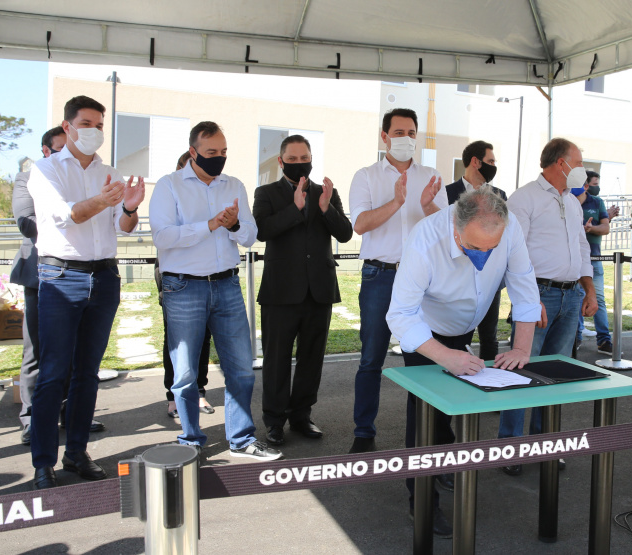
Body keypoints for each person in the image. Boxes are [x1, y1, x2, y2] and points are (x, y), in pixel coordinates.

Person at [387, 186, 542, 537]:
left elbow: (523, 286)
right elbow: (401, 315)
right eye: (473, 247)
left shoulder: (510, 227)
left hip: (464, 326)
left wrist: (521, 349)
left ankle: (444, 464)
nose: (483, 257)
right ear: (455, 226)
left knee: (449, 410)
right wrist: (444, 356)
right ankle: (422, 502)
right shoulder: (425, 239)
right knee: (424, 416)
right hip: (425, 334)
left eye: (491, 249)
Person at [27, 95, 145, 489]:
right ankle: (43, 462)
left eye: (99, 125)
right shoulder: (45, 170)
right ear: (67, 127)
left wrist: (129, 208)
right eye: (87, 124)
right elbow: (66, 216)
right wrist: (102, 200)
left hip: (104, 277)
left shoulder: (108, 172)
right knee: (53, 373)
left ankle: (76, 452)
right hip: (61, 276)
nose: (95, 131)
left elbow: (122, 227)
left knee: (87, 373)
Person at [150, 121, 281, 462]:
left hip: (227, 285)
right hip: (183, 287)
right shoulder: (169, 185)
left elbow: (249, 236)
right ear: (193, 152)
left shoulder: (234, 185)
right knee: (185, 374)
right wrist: (210, 225)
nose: (219, 157)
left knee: (241, 368)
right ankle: (191, 441)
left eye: (223, 151)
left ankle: (242, 439)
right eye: (211, 152)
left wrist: (233, 224)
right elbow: (162, 236)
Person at [497, 137, 597, 477]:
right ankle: (510, 448)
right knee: (520, 370)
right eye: (578, 162)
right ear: (560, 163)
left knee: (555, 375)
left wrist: (589, 291)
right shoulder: (524, 198)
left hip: (571, 297)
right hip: (538, 295)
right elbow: (513, 252)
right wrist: (529, 299)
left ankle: (545, 445)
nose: (582, 169)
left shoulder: (573, 202)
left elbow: (582, 249)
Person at [348, 108, 446, 454]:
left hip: (422, 280)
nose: (406, 138)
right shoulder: (366, 176)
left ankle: (424, 439)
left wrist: (427, 205)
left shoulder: (432, 176)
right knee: (371, 358)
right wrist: (397, 202)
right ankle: (364, 432)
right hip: (380, 275)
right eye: (399, 132)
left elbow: (448, 227)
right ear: (384, 136)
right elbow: (360, 225)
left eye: (411, 132)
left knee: (423, 361)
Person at [253, 135, 353, 446]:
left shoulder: (325, 192)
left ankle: (301, 416)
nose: (299, 164)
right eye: (292, 159)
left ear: (311, 159)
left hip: (318, 291)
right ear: (280, 161)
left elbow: (345, 234)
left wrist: (326, 209)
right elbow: (261, 230)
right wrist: (295, 209)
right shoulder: (266, 192)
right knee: (276, 360)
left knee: (312, 359)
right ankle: (274, 420)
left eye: (304, 158)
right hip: (280, 292)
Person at [11, 127, 106, 446]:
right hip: (43, 274)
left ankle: (72, 413)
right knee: (38, 350)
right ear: (46, 151)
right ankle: (31, 417)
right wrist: (67, 215)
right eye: (61, 149)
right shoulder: (29, 178)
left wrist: (83, 211)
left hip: (83, 273)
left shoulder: (89, 177)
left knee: (80, 353)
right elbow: (26, 221)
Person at [157, 151, 214, 419]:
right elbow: (165, 235)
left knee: (203, 338)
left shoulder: (209, 195)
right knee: (177, 340)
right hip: (176, 278)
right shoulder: (168, 190)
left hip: (208, 276)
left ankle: (199, 391)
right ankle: (174, 397)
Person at [444, 140, 507, 362]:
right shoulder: (447, 193)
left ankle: (490, 377)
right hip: (457, 277)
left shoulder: (499, 195)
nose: (494, 166)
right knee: (457, 335)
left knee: (489, 335)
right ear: (475, 162)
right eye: (491, 161)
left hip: (489, 276)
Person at [573, 171, 613, 355]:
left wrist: (591, 228)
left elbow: (605, 228)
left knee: (598, 298)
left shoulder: (597, 202)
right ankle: (576, 337)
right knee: (576, 298)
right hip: (573, 259)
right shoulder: (567, 200)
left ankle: (604, 340)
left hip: (594, 259)